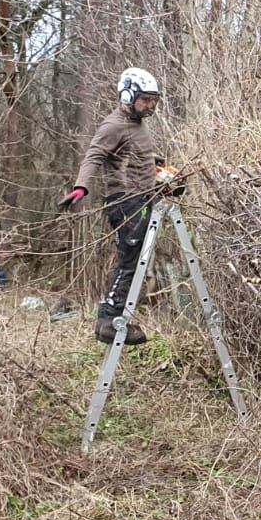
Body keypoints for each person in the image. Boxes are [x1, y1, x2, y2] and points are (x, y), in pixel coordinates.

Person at [58, 67, 183, 345]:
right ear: (128, 95)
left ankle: (115, 316)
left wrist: (164, 172)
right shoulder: (113, 125)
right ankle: (108, 321)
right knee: (130, 258)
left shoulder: (137, 125)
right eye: (146, 100)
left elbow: (139, 157)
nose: (151, 106)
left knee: (138, 259)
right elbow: (94, 155)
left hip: (141, 198)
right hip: (125, 201)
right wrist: (81, 187)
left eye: (154, 100)